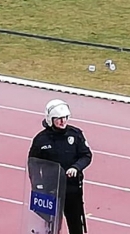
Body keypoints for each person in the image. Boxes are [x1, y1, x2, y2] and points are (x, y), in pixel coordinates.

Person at [29, 99, 92, 234]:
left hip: (72, 189)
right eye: (58, 119)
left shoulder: (75, 135)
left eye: (65, 118)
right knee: (49, 226)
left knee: (75, 223)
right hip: (51, 190)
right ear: (51, 119)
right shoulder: (40, 140)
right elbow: (33, 165)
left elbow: (86, 155)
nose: (63, 122)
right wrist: (37, 187)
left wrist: (76, 167)